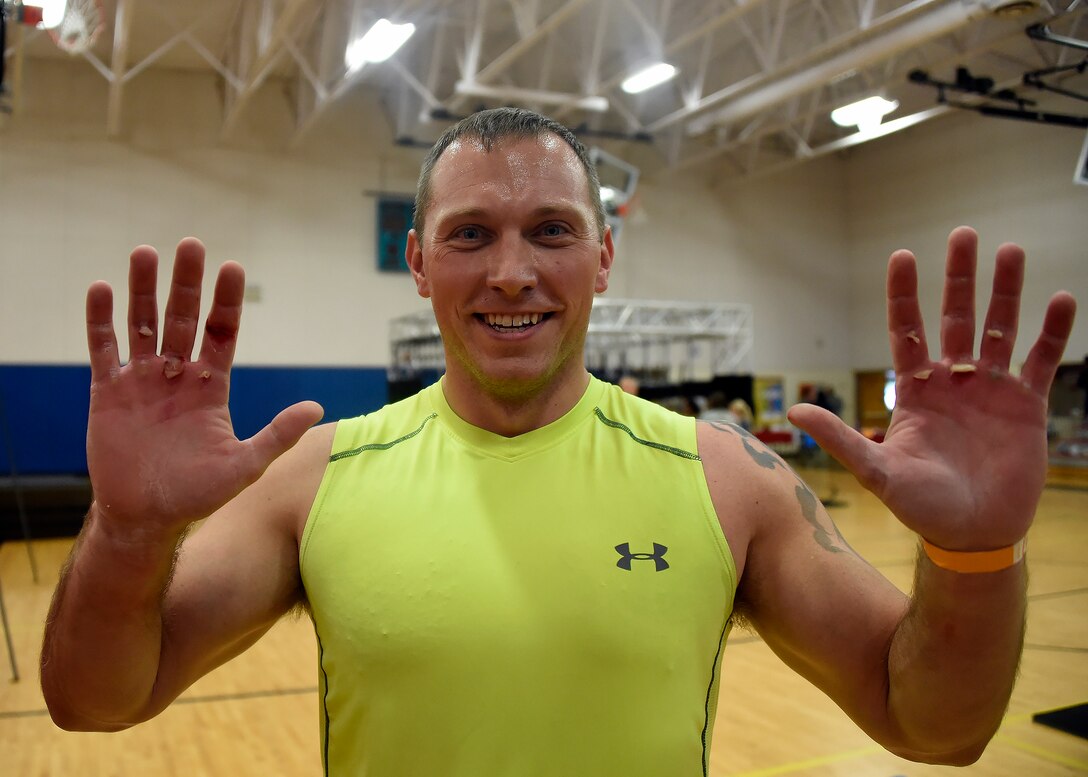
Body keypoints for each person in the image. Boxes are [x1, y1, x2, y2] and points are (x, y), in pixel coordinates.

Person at [40, 108, 1077, 775]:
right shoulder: (315, 477)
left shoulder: (725, 477)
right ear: (417, 262)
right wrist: (128, 533)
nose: (510, 272)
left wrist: (975, 554)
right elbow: (94, 702)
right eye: (469, 234)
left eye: (550, 230)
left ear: (603, 257)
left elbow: (934, 726)